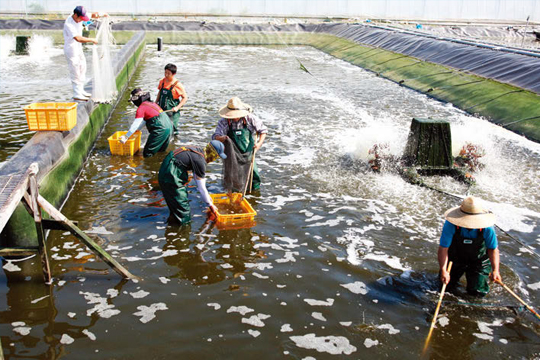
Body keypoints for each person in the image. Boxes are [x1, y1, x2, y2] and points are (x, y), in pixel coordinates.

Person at [438, 196, 501, 296]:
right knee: (444, 287)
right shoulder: (451, 225)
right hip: (455, 258)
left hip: (479, 260)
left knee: (477, 292)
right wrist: (443, 270)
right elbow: (443, 248)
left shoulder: (487, 228)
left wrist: (495, 270)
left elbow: (492, 249)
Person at [158, 140, 227, 225]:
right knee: (184, 212)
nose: (215, 160)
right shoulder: (200, 161)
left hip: (168, 165)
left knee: (177, 204)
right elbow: (201, 188)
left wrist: (209, 199)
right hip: (170, 173)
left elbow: (196, 176)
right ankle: (182, 232)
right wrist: (211, 207)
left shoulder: (198, 150)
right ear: (213, 154)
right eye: (217, 157)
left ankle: (171, 224)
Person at [212, 97, 268, 191]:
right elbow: (216, 136)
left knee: (252, 173)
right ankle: (234, 193)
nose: (234, 117)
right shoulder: (223, 121)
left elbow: (263, 130)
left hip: (248, 151)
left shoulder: (250, 118)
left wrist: (259, 143)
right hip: (231, 152)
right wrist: (222, 138)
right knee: (232, 174)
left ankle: (254, 194)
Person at [63, 5, 107, 100]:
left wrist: (103, 14)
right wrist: (91, 40)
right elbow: (78, 38)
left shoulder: (81, 15)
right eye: (80, 18)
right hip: (71, 49)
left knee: (82, 67)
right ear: (75, 15)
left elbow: (94, 15)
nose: (81, 20)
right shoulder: (69, 24)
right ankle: (76, 93)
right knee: (75, 70)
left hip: (78, 48)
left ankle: (81, 90)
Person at [121, 88, 173, 158]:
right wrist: (137, 130)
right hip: (169, 127)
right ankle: (159, 166)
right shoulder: (152, 104)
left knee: (147, 153)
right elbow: (144, 121)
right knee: (160, 152)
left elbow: (135, 124)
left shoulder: (141, 108)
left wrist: (126, 136)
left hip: (160, 130)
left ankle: (148, 168)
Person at [155, 63, 188, 136]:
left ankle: (174, 143)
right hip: (162, 109)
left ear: (174, 74)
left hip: (172, 111)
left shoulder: (177, 85)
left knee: (173, 128)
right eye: (165, 72)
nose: (166, 75)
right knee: (161, 126)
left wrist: (177, 107)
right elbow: (160, 92)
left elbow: (185, 98)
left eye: (168, 73)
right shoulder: (162, 81)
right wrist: (155, 103)